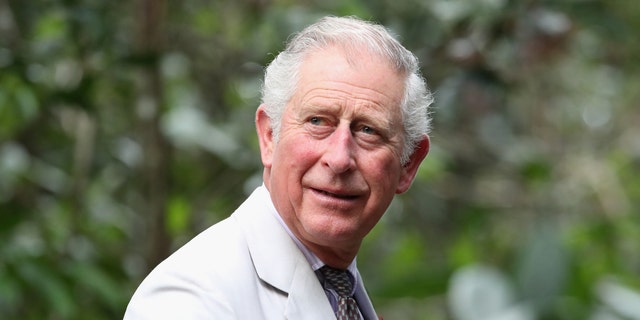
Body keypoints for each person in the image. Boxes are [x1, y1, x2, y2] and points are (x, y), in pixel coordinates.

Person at [124, 15, 432, 320]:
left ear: (408, 164)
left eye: (368, 131)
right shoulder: (190, 299)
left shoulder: (342, 292)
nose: (339, 159)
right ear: (269, 136)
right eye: (317, 121)